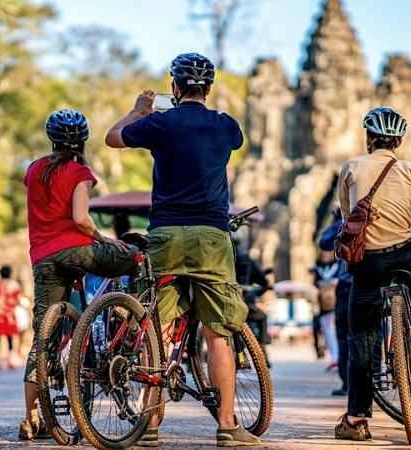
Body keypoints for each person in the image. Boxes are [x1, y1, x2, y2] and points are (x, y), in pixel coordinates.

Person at [105, 52, 259, 447]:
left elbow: (112, 137)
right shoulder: (226, 126)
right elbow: (237, 142)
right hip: (211, 237)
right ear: (208, 89)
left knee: (156, 330)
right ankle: (227, 425)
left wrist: (138, 110)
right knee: (219, 333)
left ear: (174, 87)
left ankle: (150, 425)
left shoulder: (159, 122)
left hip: (167, 234)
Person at [334, 107, 411, 441]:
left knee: (361, 337)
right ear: (400, 141)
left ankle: (357, 419)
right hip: (405, 254)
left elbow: (348, 218)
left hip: (369, 263)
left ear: (369, 138)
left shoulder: (351, 167)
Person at [20, 108, 138, 440]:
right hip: (78, 250)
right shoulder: (79, 171)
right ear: (82, 140)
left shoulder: (33, 170)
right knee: (136, 257)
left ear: (52, 139)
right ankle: (130, 320)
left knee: (43, 338)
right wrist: (104, 239)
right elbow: (82, 219)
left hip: (42, 259)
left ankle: (31, 419)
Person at [319, 210, 352, 396]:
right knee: (369, 333)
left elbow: (324, 242)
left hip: (348, 285)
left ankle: (347, 383)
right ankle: (373, 381)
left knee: (344, 334)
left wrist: (337, 220)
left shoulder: (343, 223)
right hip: (370, 281)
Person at [234, 232, 271, 365]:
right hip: (244, 303)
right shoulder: (246, 259)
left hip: (223, 303)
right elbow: (263, 281)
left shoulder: (221, 257)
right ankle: (262, 350)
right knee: (262, 317)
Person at [0, 265, 22, 370]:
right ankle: (11, 359)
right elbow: (19, 299)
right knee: (10, 337)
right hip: (10, 315)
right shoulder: (15, 285)